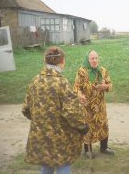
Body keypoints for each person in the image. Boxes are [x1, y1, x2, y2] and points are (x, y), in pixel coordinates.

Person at [22, 46, 89, 174]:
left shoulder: (35, 81)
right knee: (63, 163)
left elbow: (26, 109)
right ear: (62, 61)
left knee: (46, 164)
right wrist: (82, 126)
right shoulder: (61, 83)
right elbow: (71, 113)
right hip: (61, 136)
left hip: (41, 134)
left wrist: (40, 119)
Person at [73, 50, 114, 158]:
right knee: (88, 127)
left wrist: (105, 86)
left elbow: (110, 85)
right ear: (88, 59)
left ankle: (104, 147)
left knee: (103, 125)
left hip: (100, 106)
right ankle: (87, 150)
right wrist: (80, 95)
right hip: (87, 106)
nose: (95, 60)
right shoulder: (82, 72)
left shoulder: (103, 70)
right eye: (92, 58)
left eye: (96, 58)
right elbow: (76, 87)